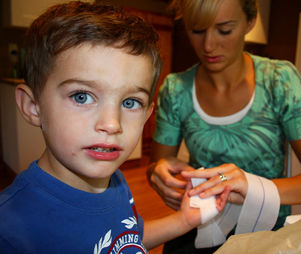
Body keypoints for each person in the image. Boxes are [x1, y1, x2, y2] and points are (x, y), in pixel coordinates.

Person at [0, 2, 230, 253]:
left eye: (130, 102)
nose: (112, 124)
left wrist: (184, 220)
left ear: (147, 115)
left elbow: (126, 238)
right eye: (82, 97)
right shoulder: (11, 229)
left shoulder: (112, 180)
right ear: (33, 107)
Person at [146, 0, 301, 253]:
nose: (208, 45)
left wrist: (251, 187)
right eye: (197, 30)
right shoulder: (176, 88)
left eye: (224, 30)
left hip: (266, 233)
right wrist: (159, 175)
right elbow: (158, 165)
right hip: (199, 224)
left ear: (250, 22)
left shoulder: (279, 82)